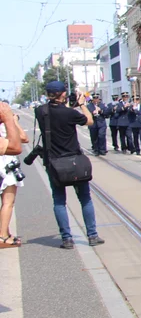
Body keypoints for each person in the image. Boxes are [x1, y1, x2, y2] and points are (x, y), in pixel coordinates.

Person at [34, 82, 105, 249]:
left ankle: (66, 238)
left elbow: (51, 111)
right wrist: (81, 104)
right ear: (63, 94)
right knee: (85, 199)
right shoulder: (69, 113)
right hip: (74, 161)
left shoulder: (40, 111)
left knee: (59, 201)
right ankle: (92, 235)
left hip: (54, 162)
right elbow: (89, 121)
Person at [0, 101, 28, 248]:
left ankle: (5, 232)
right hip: (6, 166)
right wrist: (12, 120)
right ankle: (3, 236)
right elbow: (23, 139)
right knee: (8, 202)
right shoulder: (6, 125)